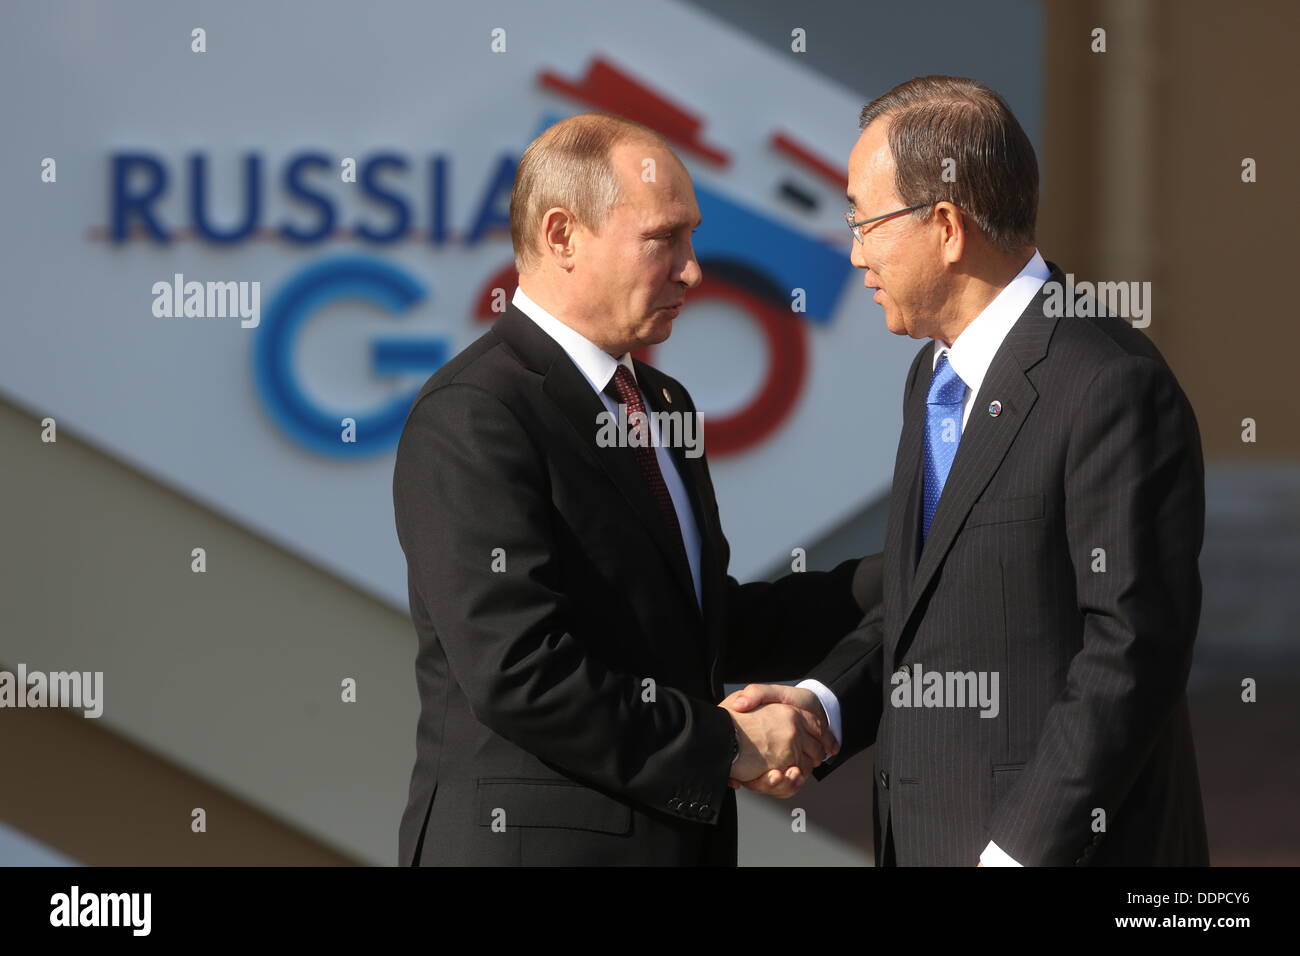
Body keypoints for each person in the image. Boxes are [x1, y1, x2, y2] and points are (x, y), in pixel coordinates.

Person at [729, 75, 1209, 866]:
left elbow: (1130, 651)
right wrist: (823, 705)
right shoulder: (935, 375)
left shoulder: (1107, 382)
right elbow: (928, 603)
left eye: (864, 219)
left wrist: (1015, 854)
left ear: (946, 226)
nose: (854, 251)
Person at [392, 112, 875, 866]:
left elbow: (696, 628)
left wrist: (907, 574)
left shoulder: (663, 403)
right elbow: (520, 669)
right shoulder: (475, 412)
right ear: (561, 236)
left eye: (692, 236)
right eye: (663, 238)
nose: (692, 269)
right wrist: (725, 746)